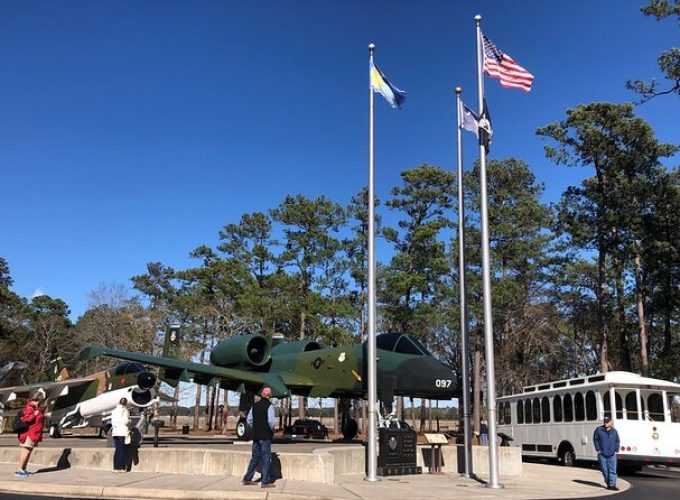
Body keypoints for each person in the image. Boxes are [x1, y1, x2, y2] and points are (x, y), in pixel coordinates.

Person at [242, 387, 276, 488]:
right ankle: (265, 481)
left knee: (255, 457)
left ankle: (247, 478)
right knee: (266, 458)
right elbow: (271, 422)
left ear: (261, 394)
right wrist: (271, 430)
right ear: (269, 396)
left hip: (255, 435)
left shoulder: (254, 405)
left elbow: (249, 420)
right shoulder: (269, 406)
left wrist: (256, 427)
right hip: (265, 436)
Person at [15, 390, 46, 477]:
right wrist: (35, 414)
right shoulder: (30, 408)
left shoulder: (36, 408)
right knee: (26, 451)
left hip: (35, 433)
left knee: (28, 451)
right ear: (38, 399)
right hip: (29, 434)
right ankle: (19, 470)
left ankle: (23, 469)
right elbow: (26, 419)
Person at [593, 416, 620, 490]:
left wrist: (616, 449)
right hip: (602, 454)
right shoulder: (599, 430)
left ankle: (612, 484)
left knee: (613, 470)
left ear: (611, 422)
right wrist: (598, 449)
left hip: (612, 454)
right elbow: (596, 440)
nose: (606, 423)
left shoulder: (614, 431)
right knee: (605, 470)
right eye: (605, 422)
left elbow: (617, 441)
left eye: (607, 422)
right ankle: (608, 482)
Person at [111, 397, 130, 473]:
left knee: (117, 450)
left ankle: (115, 467)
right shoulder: (125, 410)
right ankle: (120, 467)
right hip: (122, 431)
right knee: (122, 450)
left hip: (115, 431)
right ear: (125, 403)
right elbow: (125, 421)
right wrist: (129, 421)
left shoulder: (114, 411)